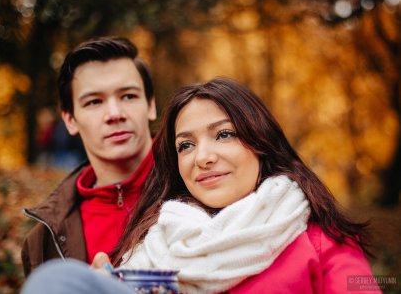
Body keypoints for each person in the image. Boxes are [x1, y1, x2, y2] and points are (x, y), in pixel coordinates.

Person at [22, 77, 379, 293]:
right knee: (60, 282)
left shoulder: (323, 243)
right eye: (186, 145)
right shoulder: (154, 244)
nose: (202, 157)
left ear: (261, 143)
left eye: (224, 134)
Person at [21, 36, 157, 277]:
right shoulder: (42, 243)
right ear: (70, 120)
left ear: (151, 105)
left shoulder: (205, 185)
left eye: (128, 96)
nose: (115, 114)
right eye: (94, 102)